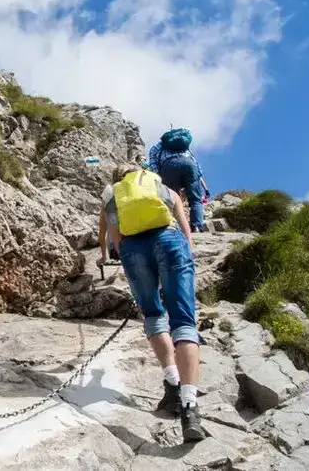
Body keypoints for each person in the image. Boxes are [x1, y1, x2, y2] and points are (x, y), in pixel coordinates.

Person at [97, 163, 207, 442]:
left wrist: (127, 262)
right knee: (183, 320)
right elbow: (184, 226)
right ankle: (190, 406)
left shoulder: (112, 193)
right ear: (139, 173)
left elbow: (114, 236)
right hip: (169, 240)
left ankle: (172, 383)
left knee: (153, 315)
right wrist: (183, 253)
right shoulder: (159, 185)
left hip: (133, 248)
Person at [147, 132, 209, 233]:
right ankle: (197, 226)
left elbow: (153, 158)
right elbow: (195, 161)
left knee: (170, 199)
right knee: (195, 199)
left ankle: (173, 228)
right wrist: (199, 175)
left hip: (169, 166)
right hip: (189, 165)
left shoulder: (159, 144)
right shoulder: (184, 145)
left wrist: (157, 174)